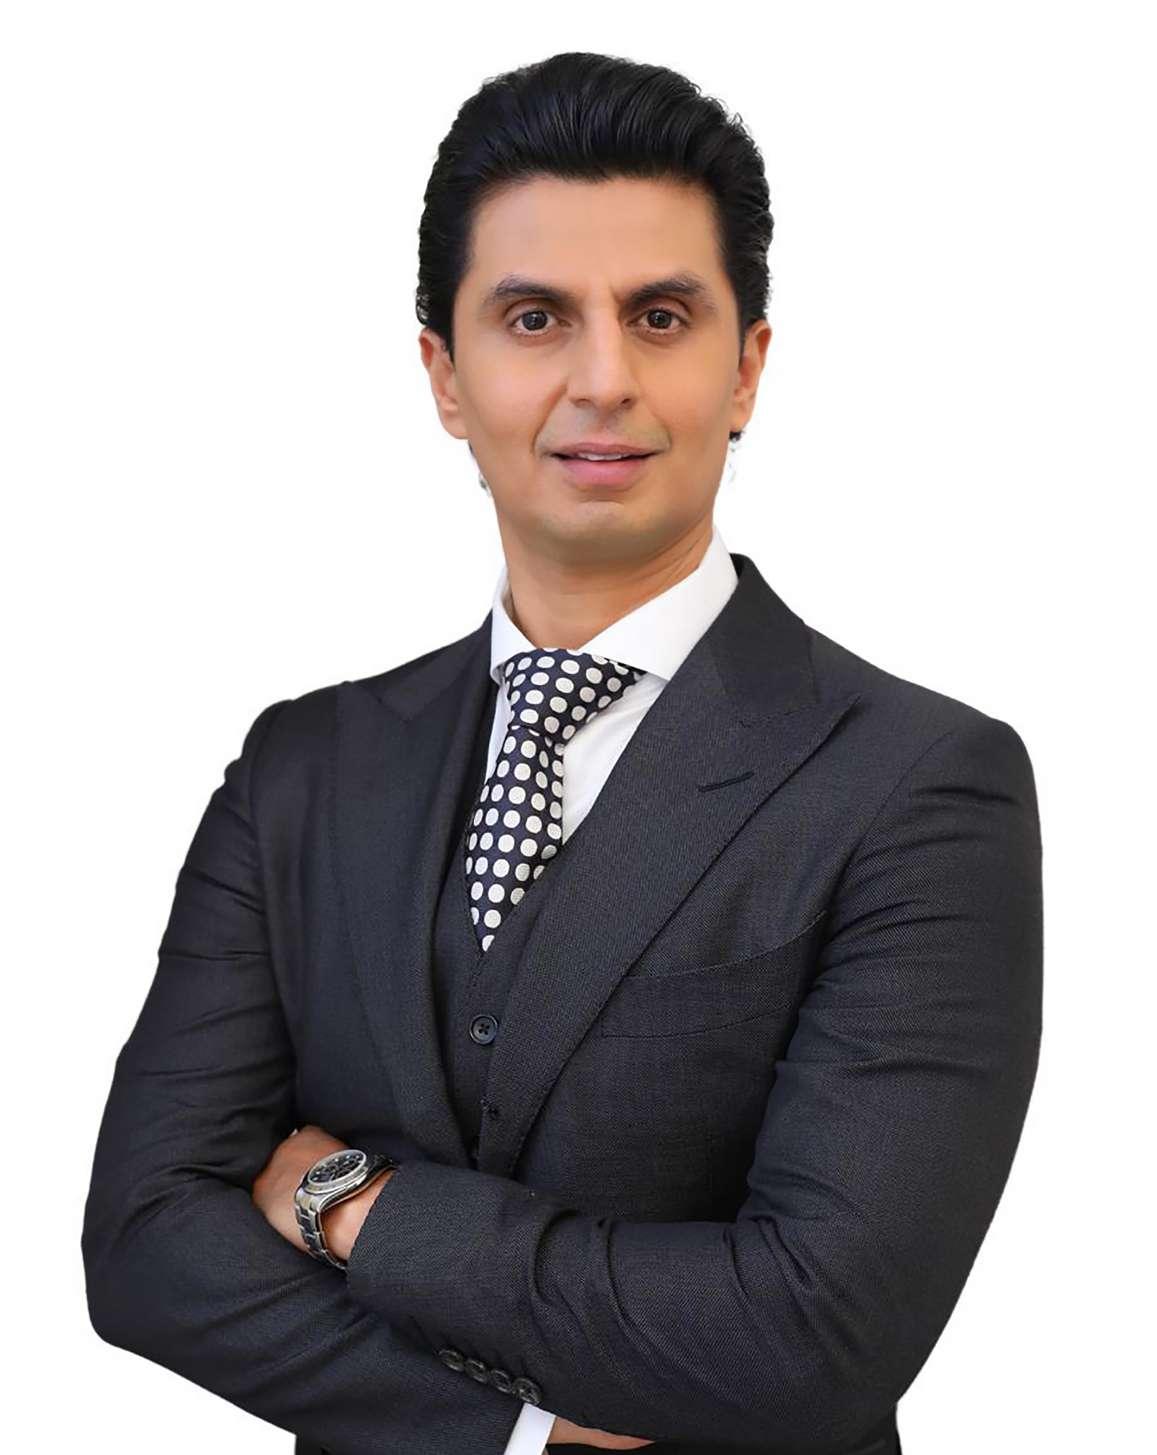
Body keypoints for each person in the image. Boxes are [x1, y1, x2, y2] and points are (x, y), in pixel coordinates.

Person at [81, 50, 1042, 1455]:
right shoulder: (303, 769)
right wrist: (508, 1434)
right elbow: (145, 1242)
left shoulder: (919, 784)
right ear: (445, 375)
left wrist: (353, 1206)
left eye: (660, 316)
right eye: (534, 318)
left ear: (745, 368)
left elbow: (816, 1331)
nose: (603, 379)